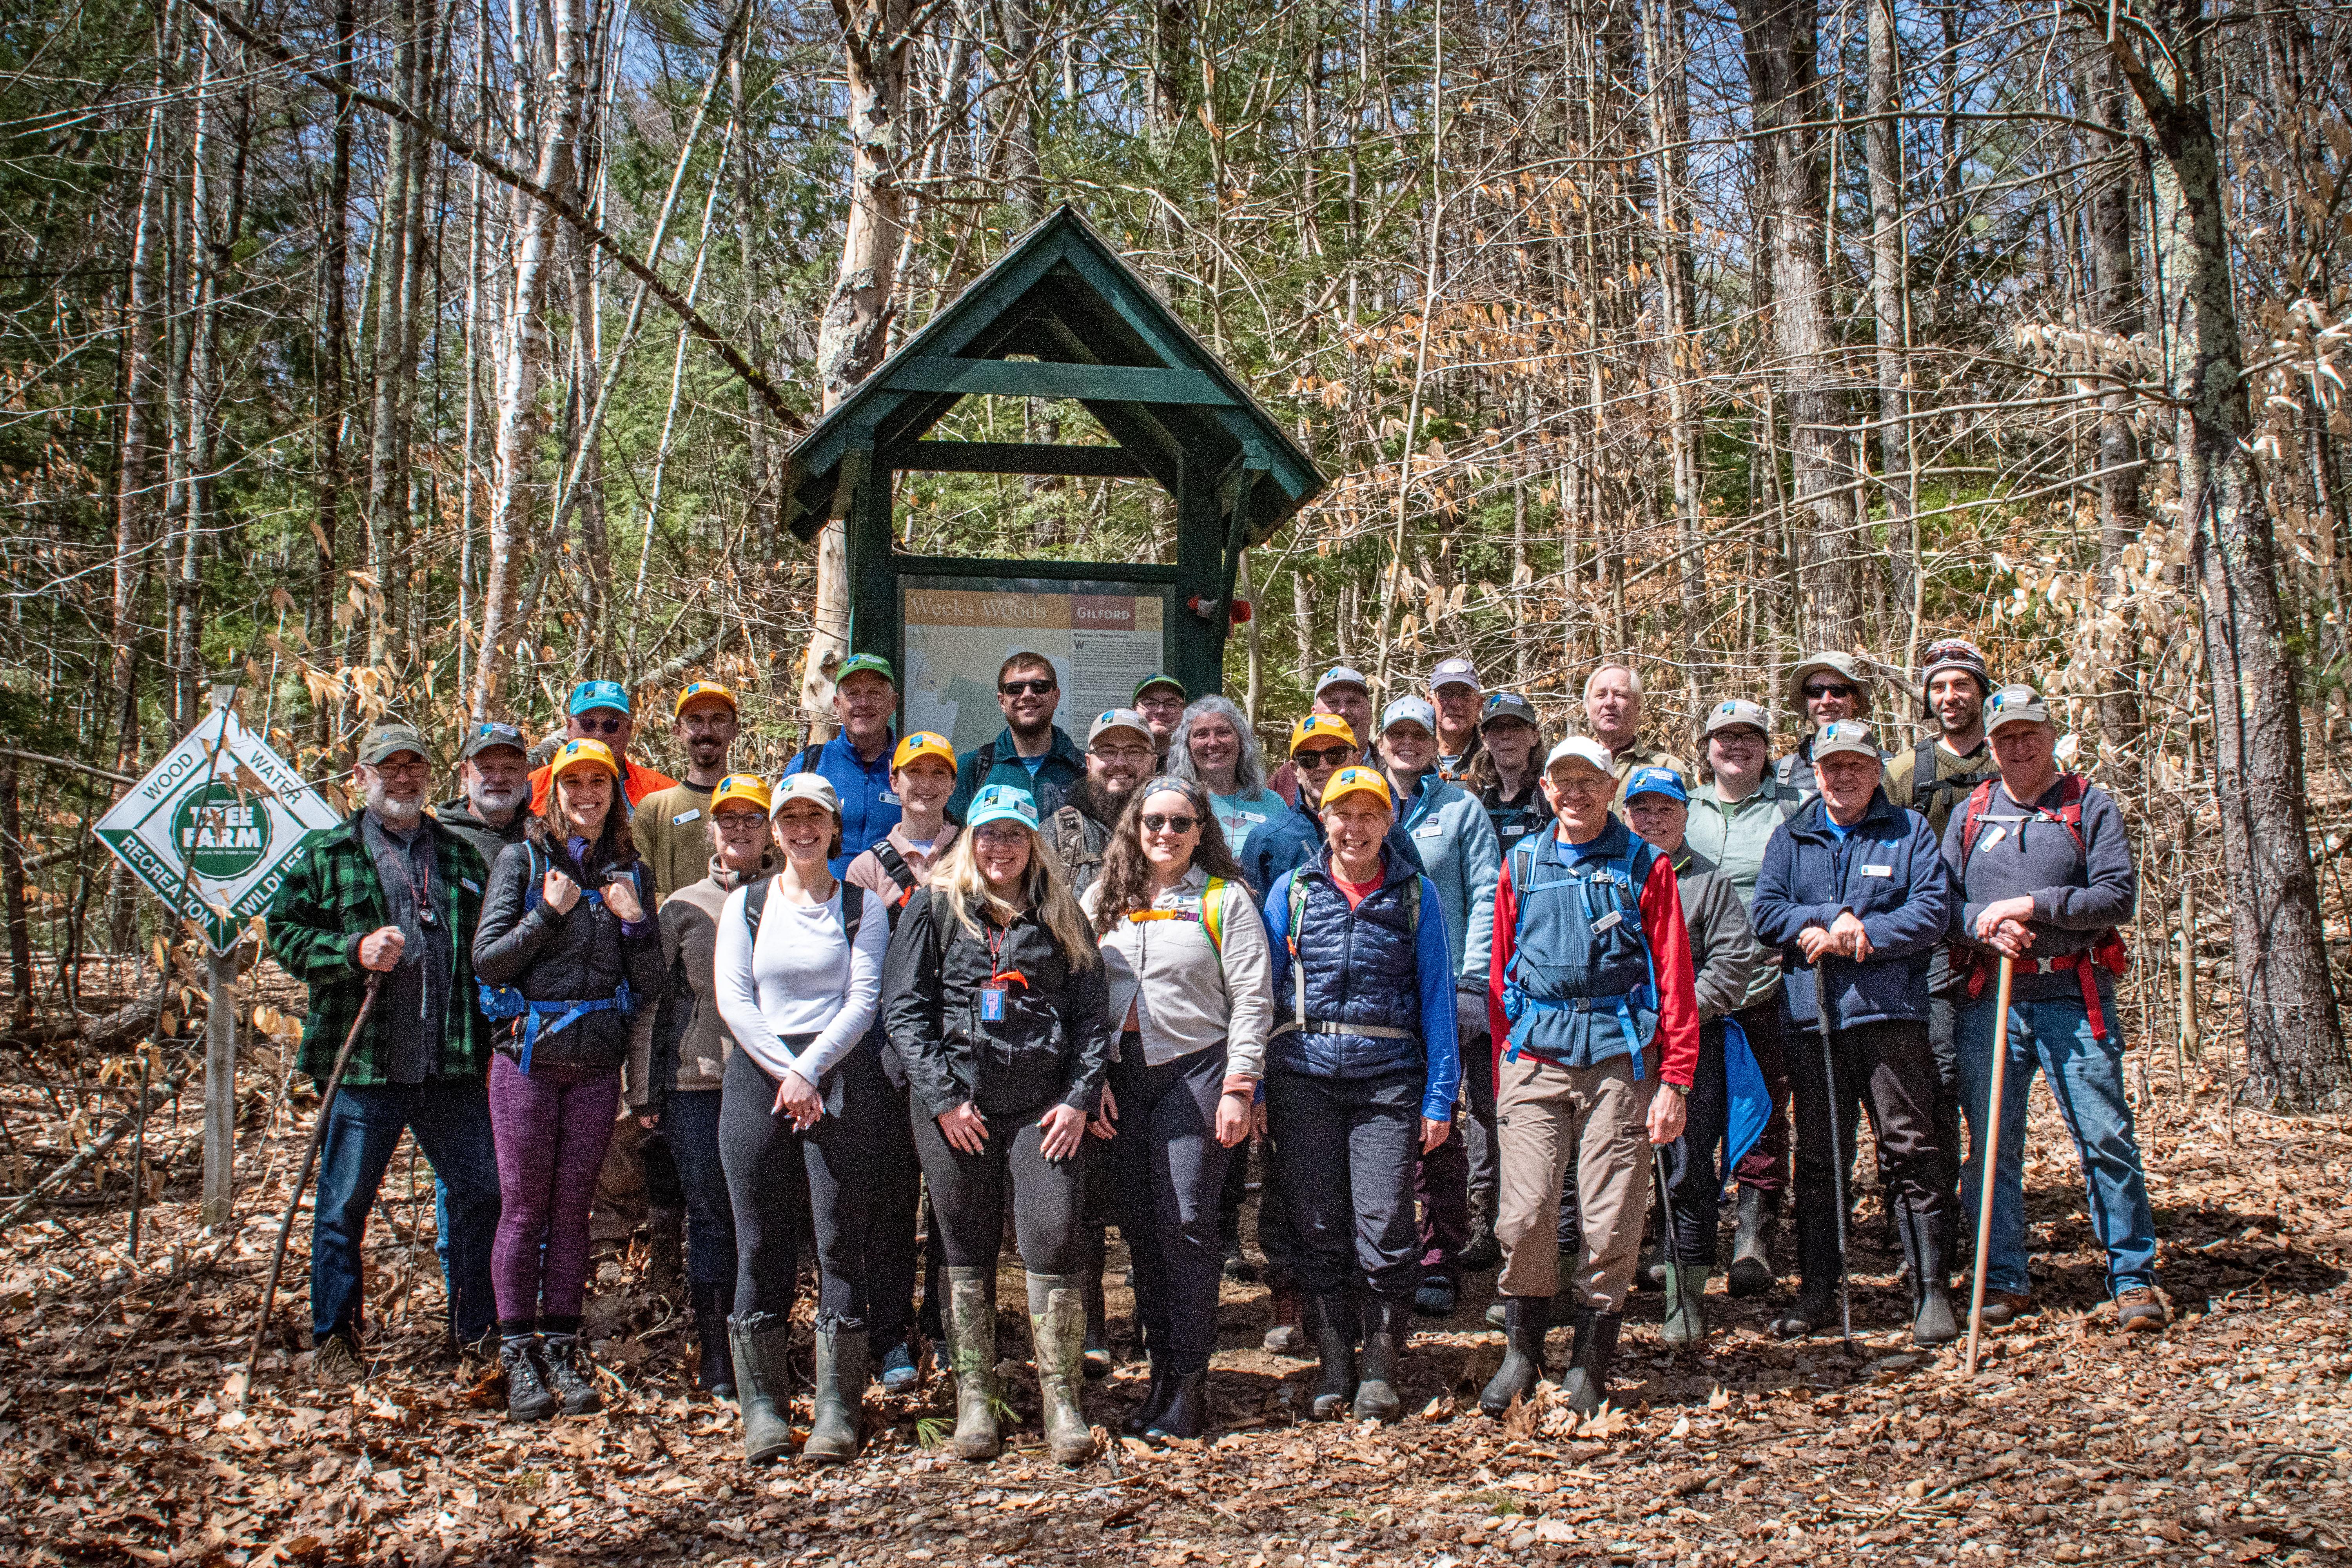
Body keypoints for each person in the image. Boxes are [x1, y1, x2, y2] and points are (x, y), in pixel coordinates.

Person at [882, 784, 1113, 1465]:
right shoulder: (934, 906)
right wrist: (944, 1099)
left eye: (1014, 833)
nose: (1000, 847)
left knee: (1052, 1237)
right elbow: (904, 1013)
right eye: (988, 834)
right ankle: (975, 1402)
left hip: (1043, 1113)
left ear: (1031, 841)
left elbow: (1091, 1018)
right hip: (960, 1111)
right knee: (964, 1247)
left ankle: (1062, 1403)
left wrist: (1077, 1099)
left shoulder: (1061, 911)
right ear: (969, 839)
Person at [268, 723, 502, 1387]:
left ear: (430, 776)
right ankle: (335, 1336)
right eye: (389, 768)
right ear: (361, 776)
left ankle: (475, 1329)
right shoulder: (329, 853)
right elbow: (283, 932)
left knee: (482, 1191)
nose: (403, 779)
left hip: (450, 1062)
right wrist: (351, 952)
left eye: (414, 768)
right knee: (344, 1205)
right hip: (366, 1063)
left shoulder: (460, 856)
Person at [1476, 738, 1697, 1420]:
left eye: (1590, 782)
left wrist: (1676, 1080)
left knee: (1610, 1218)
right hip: (1535, 1055)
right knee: (1527, 1211)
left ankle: (1590, 1361)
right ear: (1546, 788)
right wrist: (1505, 1065)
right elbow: (1499, 973)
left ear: (1611, 789)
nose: (1576, 793)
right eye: (1564, 781)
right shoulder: (1521, 863)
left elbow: (1675, 978)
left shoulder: (1646, 867)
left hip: (1620, 1057)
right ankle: (1522, 1353)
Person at [1944, 686, 2162, 1334]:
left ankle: (2133, 1278)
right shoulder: (1972, 814)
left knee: (2105, 1138)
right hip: (1992, 999)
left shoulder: (2087, 805)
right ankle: (2003, 1276)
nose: (2018, 745)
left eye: (2029, 732)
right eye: (2005, 735)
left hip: (2073, 993)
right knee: (1990, 1146)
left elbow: (2117, 898)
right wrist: (1982, 925)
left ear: (2051, 733)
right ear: (1990, 743)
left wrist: (2033, 907)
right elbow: (1943, 909)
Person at [473, 738, 666, 1419]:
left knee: (573, 1210)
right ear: (551, 792)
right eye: (574, 783)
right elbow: (491, 962)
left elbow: (651, 986)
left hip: (594, 1066)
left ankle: (561, 1340)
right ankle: (516, 1349)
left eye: (600, 783)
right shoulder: (519, 861)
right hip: (526, 1060)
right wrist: (547, 913)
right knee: (525, 1208)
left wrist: (636, 924)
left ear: (616, 793)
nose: (587, 794)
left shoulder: (628, 872)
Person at [1750, 720, 1958, 1345]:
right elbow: (1766, 913)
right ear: (1815, 772)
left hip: (1890, 1017)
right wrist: (1821, 917)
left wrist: (1862, 936)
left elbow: (1932, 910)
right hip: (1814, 1021)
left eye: (1856, 766)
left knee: (1910, 1151)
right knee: (1819, 1161)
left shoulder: (1910, 831)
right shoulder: (1792, 837)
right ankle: (1818, 1292)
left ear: (1875, 770)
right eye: (1832, 766)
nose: (1844, 777)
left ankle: (1931, 1291)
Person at [1262, 766, 1459, 1423]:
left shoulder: (1414, 895)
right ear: (1323, 818)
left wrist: (1440, 1097)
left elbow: (1437, 1000)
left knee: (1385, 1227)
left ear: (1389, 821)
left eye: (1370, 814)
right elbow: (1260, 995)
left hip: (1387, 1080)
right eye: (1343, 814)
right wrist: (1257, 1084)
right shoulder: (1291, 891)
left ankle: (1381, 1357)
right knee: (1318, 1227)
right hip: (1303, 1077)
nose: (1355, 828)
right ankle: (1334, 1361)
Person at [1084, 776, 1274, 1441]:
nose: (1165, 833)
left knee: (1188, 1224)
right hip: (1120, 1081)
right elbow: (1081, 1000)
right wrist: (1090, 1081)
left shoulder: (1226, 900)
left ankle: (1191, 1383)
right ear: (1134, 828)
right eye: (1153, 821)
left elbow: (1253, 999)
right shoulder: (1101, 899)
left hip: (1198, 1071)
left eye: (1180, 823)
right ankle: (1161, 1376)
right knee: (1141, 1232)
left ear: (1201, 831)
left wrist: (1240, 1087)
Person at [711, 773, 893, 1462]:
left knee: (839, 1241)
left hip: (841, 1080)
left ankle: (836, 1408)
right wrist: (788, 1075)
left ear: (834, 825)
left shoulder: (861, 905)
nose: (801, 830)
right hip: (759, 1082)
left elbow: (863, 998)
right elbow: (735, 999)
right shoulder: (746, 904)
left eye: (814, 817)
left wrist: (811, 1070)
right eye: (789, 819)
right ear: (775, 829)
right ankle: (761, 1407)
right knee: (759, 1243)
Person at [635, 773, 772, 1404]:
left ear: (769, 830)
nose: (740, 829)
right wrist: (645, 1090)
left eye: (753, 819)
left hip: (779, 1083)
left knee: (774, 1224)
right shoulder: (682, 906)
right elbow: (655, 1008)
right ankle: (718, 1359)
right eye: (729, 819)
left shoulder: (794, 897)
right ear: (711, 829)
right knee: (713, 1222)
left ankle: (767, 1354)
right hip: (701, 1084)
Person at [1620, 768, 1761, 1345]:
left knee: (1688, 1173)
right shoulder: (1609, 870)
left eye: (1665, 811)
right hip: (1613, 1049)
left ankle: (1688, 1296)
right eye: (1642, 811)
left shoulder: (1709, 882)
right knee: (1599, 1171)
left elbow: (1732, 966)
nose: (1653, 822)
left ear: (1685, 815)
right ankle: (1575, 1289)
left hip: (1689, 1049)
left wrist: (1673, 1017)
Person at [1375, 695, 1500, 1317]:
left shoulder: (1460, 808)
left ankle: (1438, 1258)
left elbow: (1485, 896)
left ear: (1433, 743)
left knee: (1440, 1131)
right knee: (1380, 1126)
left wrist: (1473, 981)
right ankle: (1382, 1254)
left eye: (1417, 734)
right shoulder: (1358, 802)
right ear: (1379, 741)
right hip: (1374, 995)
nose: (1407, 743)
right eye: (1395, 733)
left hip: (1443, 989)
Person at [846, 731, 962, 1392]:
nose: (925, 785)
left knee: (952, 1201)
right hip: (889, 1054)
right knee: (888, 1203)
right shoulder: (867, 868)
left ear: (952, 784)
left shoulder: (975, 852)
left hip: (961, 1049)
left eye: (937, 774)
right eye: (913, 774)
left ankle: (945, 1329)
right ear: (895, 783)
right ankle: (890, 1335)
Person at [1681, 697, 1806, 1296]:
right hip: (1689, 993)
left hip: (1763, 986)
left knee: (1759, 1113)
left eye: (1749, 737)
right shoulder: (1685, 808)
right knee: (1690, 1120)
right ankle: (1686, 1237)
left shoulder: (1789, 810)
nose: (1737, 747)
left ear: (1766, 745)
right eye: (1725, 737)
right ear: (1706, 747)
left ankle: (1753, 1236)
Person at [1884, 639, 1998, 1278]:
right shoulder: (1907, 773)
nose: (1951, 696)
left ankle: (1994, 1235)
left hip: (2009, 954)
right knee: (1934, 1092)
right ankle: (1934, 1243)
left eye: (1963, 684)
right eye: (1940, 686)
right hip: (1930, 958)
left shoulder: (2013, 755)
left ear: (1982, 690)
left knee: (1986, 1099)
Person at [784, 653, 903, 876]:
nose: (863, 703)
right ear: (837, 705)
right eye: (853, 694)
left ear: (893, 703)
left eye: (874, 693)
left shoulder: (911, 768)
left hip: (894, 906)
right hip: (822, 904)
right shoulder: (809, 766)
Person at [634, 681, 748, 902]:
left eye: (718, 720)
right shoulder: (654, 809)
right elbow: (642, 889)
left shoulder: (757, 805)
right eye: (695, 720)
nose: (706, 731)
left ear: (735, 730)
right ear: (678, 731)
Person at [944, 652, 1087, 824]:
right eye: (1015, 688)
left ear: (1056, 697)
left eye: (1039, 686)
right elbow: (955, 842)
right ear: (1002, 701)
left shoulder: (1085, 769)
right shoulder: (973, 767)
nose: (1027, 694)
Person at [1047, 708, 1156, 903]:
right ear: (1088, 763)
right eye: (1107, 752)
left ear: (1154, 763)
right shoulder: (1055, 831)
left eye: (1135, 751)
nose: (1120, 763)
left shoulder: (1176, 827)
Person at [1168, 695, 1290, 864]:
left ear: (1242, 742)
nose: (1213, 743)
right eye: (1201, 735)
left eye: (1223, 732)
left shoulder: (1272, 803)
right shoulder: (1176, 802)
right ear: (1188, 747)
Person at [527, 679, 679, 815]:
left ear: (628, 728)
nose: (599, 735)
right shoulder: (532, 787)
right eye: (588, 724)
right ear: (570, 726)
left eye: (611, 725)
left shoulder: (664, 792)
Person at [1773, 653, 1876, 799]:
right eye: (1815, 691)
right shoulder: (1781, 774)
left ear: (1855, 700)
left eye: (1838, 691)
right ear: (1806, 702)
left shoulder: (1887, 767)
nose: (1826, 701)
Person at [437, 720, 533, 869]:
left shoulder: (542, 836)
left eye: (510, 768)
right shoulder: (440, 837)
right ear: (465, 773)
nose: (499, 778)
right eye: (486, 768)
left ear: (525, 773)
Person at [1582, 664, 1684, 793]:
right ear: (1587, 708)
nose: (1609, 703)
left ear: (1639, 706)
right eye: (1601, 695)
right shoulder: (1571, 769)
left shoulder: (1668, 769)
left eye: (1620, 695)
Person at [1430, 656, 1485, 778]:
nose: (1455, 704)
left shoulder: (1494, 760)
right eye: (1445, 694)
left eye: (1464, 695)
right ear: (1430, 702)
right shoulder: (1411, 757)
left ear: (1479, 704)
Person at [1132, 674, 1188, 765]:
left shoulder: (1197, 759)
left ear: (1184, 711)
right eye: (1150, 703)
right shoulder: (1119, 759)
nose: (1161, 711)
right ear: (1133, 710)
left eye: (1171, 704)